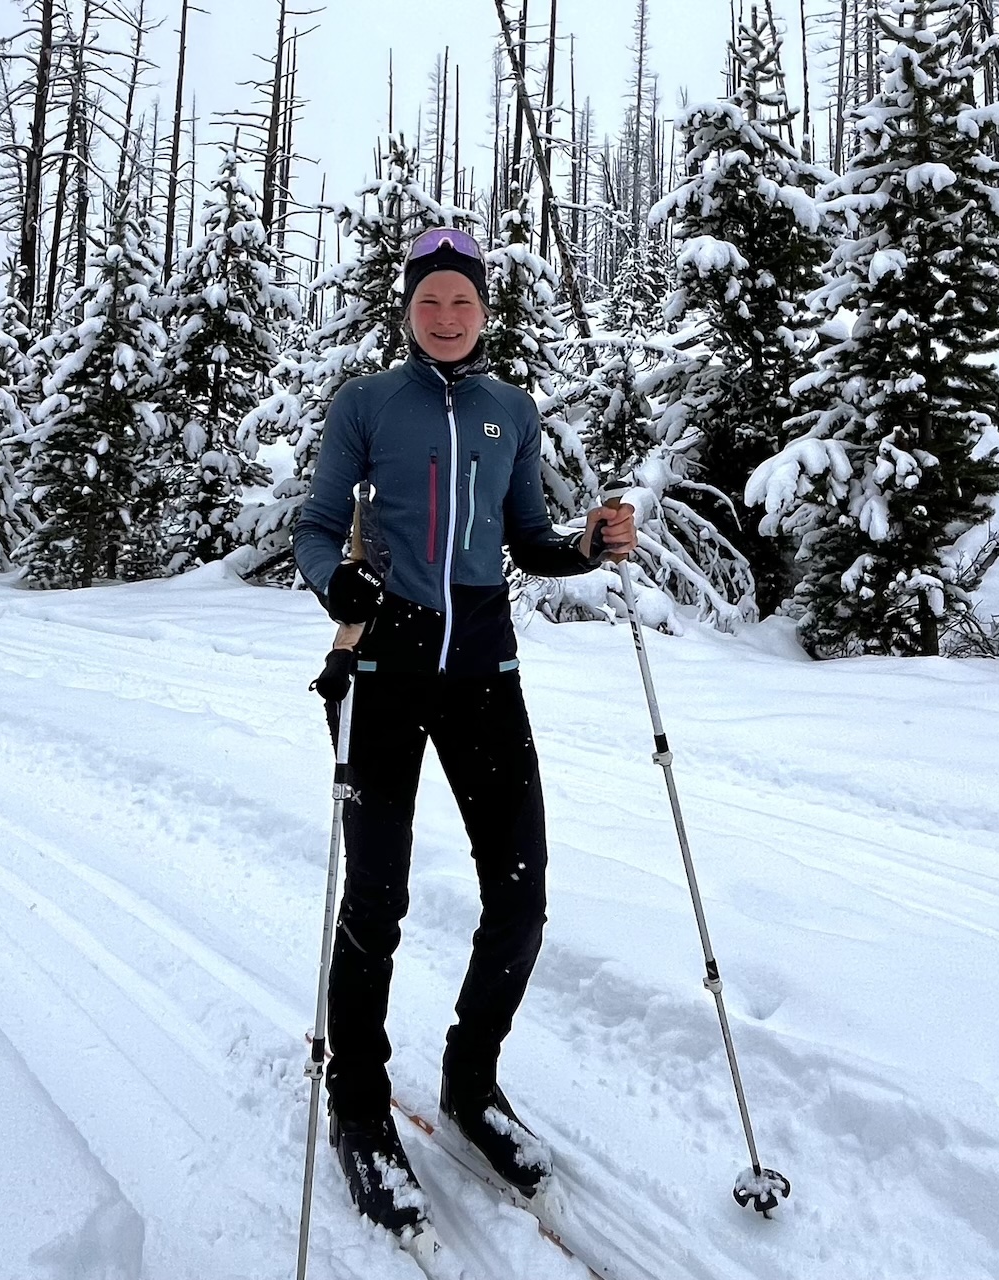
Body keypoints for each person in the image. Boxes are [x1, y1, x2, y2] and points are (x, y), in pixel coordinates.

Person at [292, 227, 637, 1233]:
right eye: (429, 302)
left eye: (463, 303)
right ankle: (359, 1103)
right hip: (385, 670)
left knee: (522, 895)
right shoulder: (367, 404)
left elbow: (528, 541)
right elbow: (316, 529)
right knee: (379, 895)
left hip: (485, 671)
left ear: (486, 310)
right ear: (407, 309)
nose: (445, 319)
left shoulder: (510, 412)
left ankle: (470, 1081)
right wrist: (338, 582)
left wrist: (588, 544)